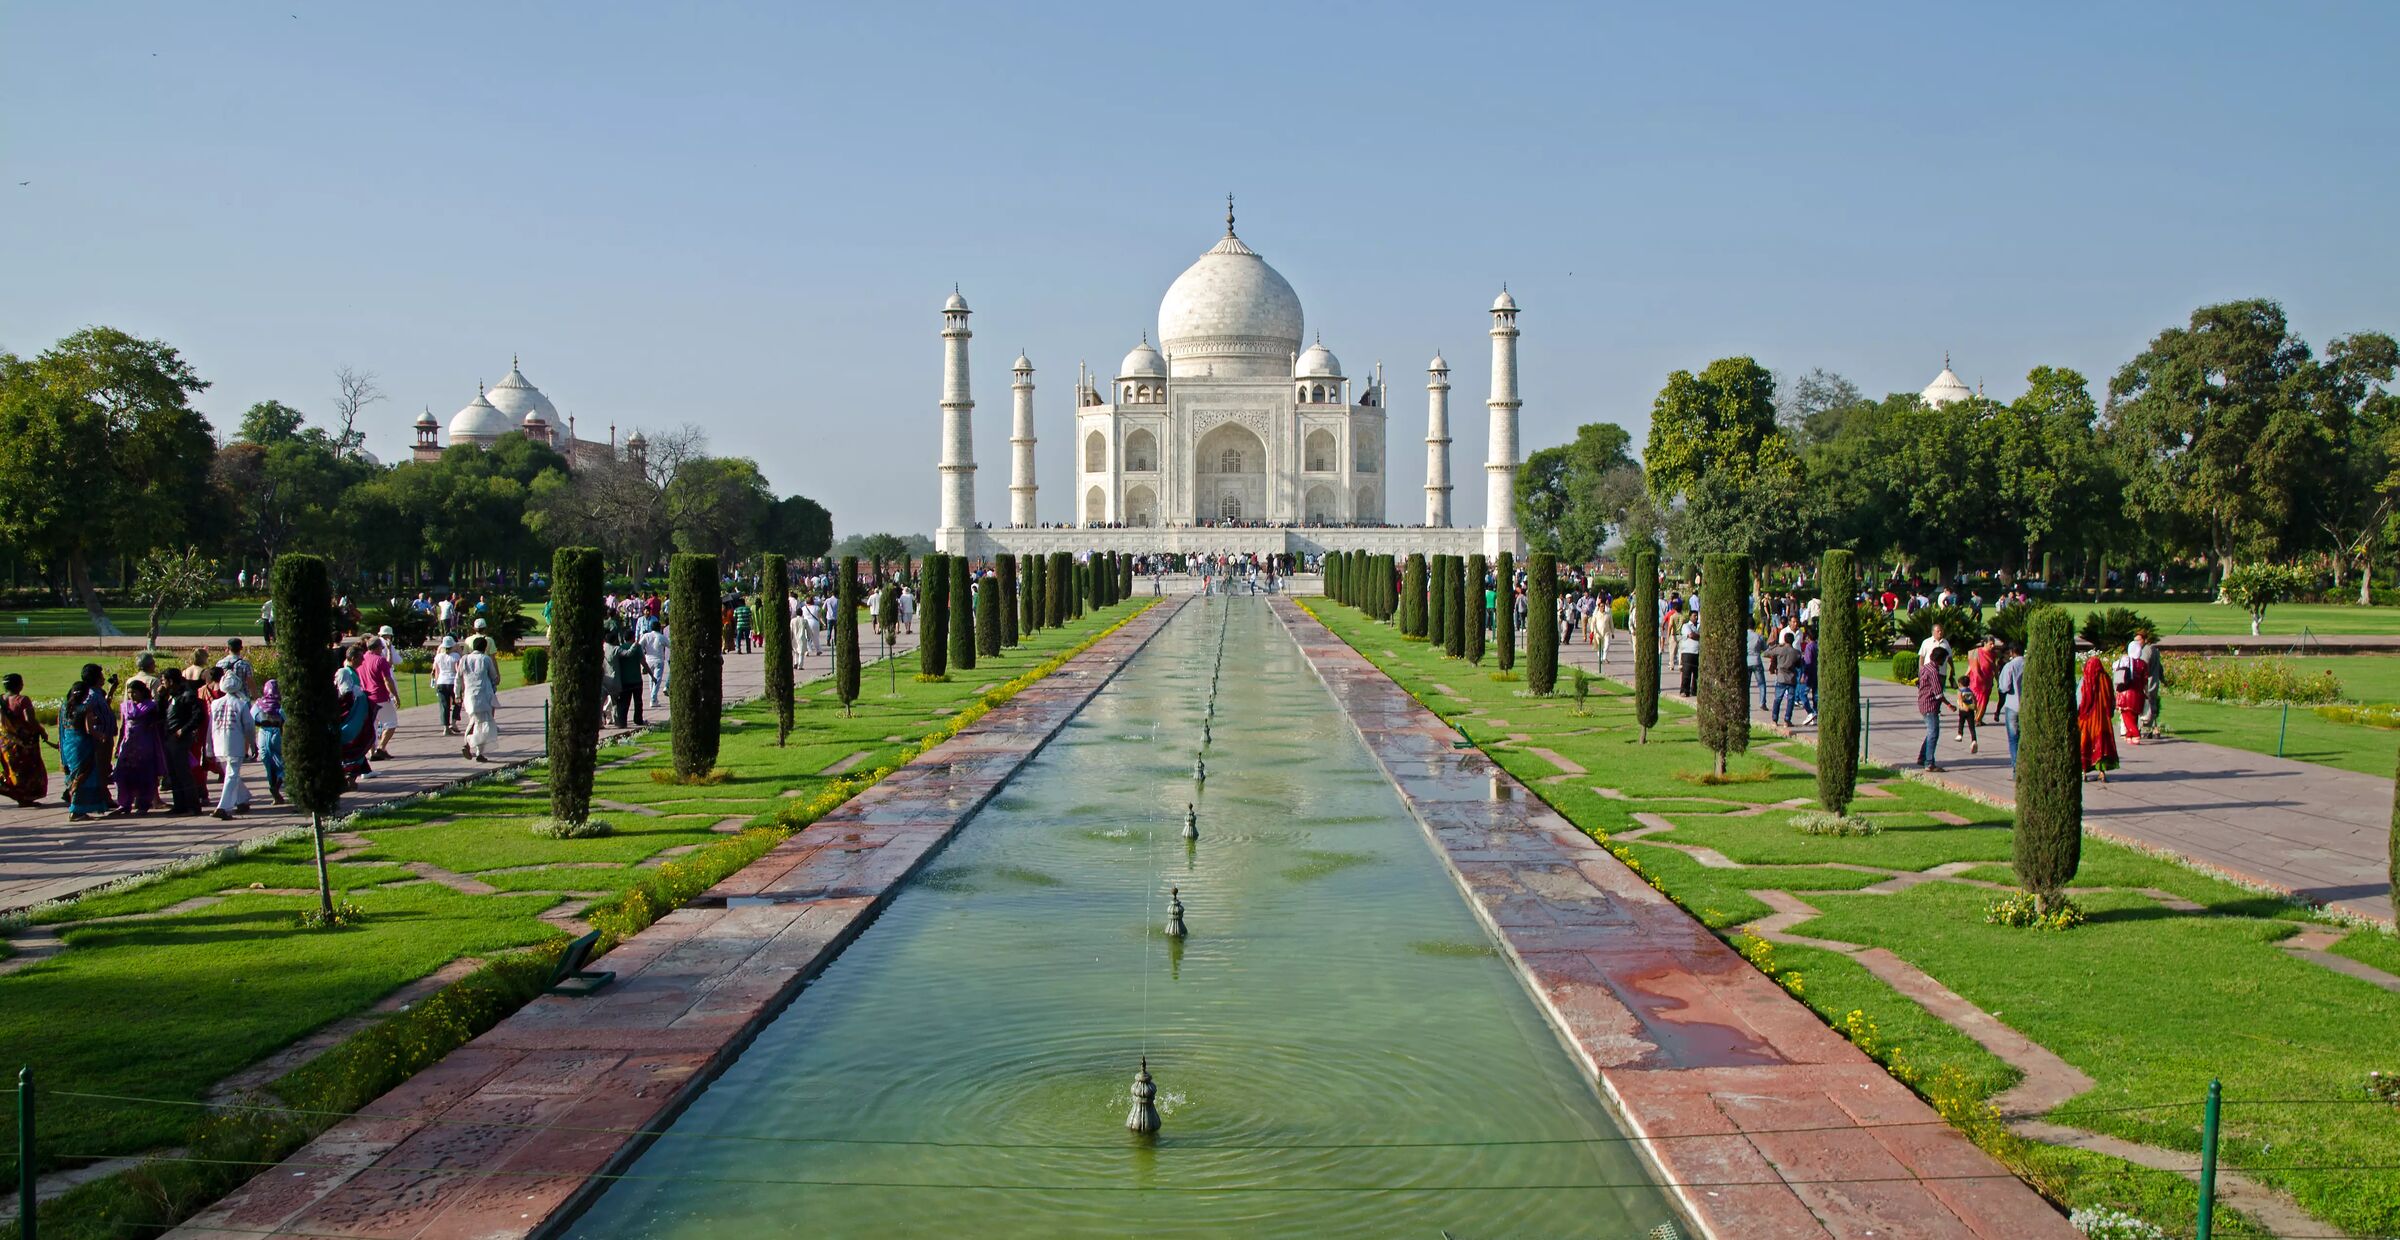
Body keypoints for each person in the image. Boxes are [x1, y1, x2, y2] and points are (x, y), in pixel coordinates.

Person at [59, 665, 115, 821]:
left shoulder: (64, 707)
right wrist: (102, 736)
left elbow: (63, 728)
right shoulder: (85, 709)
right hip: (83, 745)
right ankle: (76, 810)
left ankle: (76, 808)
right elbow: (90, 730)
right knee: (84, 777)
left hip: (70, 746)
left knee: (75, 776)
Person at [111, 679, 169, 815]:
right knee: (122, 775)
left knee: (145, 775)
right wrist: (117, 744)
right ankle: (124, 804)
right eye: (129, 693)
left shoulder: (150, 707)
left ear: (142, 692)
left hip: (144, 746)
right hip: (128, 745)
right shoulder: (126, 706)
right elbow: (123, 726)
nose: (132, 696)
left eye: (135, 692)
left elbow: (159, 722)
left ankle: (144, 803)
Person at [1, 673, 52, 808]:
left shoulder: (1, 700)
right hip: (24, 743)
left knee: (14, 771)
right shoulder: (22, 700)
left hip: (6, 744)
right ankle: (25, 797)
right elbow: (29, 720)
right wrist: (41, 730)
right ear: (18, 685)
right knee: (29, 771)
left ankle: (22, 798)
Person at [209, 671, 255, 820]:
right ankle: (223, 807)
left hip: (219, 743)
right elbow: (249, 726)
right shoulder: (241, 704)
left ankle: (242, 800)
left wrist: (209, 746)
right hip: (234, 743)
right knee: (232, 775)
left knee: (231, 774)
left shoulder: (215, 703)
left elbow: (211, 727)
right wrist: (252, 744)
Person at [161, 671, 207, 815]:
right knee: (173, 774)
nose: (162, 683)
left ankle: (193, 806)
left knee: (183, 774)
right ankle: (179, 804)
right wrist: (161, 696)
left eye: (163, 680)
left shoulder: (187, 694)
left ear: (171, 681)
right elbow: (161, 712)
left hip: (180, 738)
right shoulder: (172, 695)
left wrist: (184, 730)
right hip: (170, 737)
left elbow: (199, 715)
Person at [334, 644, 376, 786]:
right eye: (360, 658)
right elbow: (345, 694)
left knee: (358, 746)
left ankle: (351, 780)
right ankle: (348, 780)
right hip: (350, 719)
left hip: (357, 717)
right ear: (352, 658)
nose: (363, 661)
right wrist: (360, 694)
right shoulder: (344, 672)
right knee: (351, 747)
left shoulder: (352, 672)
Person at [2076, 653, 2121, 783]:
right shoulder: (2106, 679)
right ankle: (2102, 772)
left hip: (2087, 718)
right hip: (2103, 719)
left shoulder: (2086, 680)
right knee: (2102, 745)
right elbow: (2111, 698)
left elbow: (2080, 700)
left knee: (2085, 744)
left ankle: (2084, 772)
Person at [459, 635, 501, 762]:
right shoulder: (485, 659)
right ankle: (471, 747)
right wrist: (496, 679)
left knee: (475, 720)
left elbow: (458, 677)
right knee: (483, 724)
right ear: (484, 647)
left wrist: (457, 693)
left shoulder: (465, 659)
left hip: (469, 695)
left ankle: (476, 750)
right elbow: (493, 675)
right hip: (483, 695)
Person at [1916, 646, 1958, 772]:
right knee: (1933, 733)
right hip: (1930, 704)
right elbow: (1938, 693)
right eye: (1944, 658)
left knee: (1930, 732)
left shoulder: (1925, 667)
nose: (1945, 661)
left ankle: (1922, 757)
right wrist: (1949, 705)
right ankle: (1929, 763)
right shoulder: (1933, 671)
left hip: (1923, 702)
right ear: (1939, 658)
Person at [361, 628, 400, 758]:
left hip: (367, 697)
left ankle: (371, 752)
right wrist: (395, 695)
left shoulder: (362, 659)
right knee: (391, 723)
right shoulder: (379, 660)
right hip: (380, 696)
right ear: (377, 647)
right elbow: (387, 680)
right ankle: (381, 748)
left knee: (372, 726)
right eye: (381, 647)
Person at [252, 679, 285, 804]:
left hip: (262, 733)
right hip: (278, 733)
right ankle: (276, 786)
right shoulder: (281, 705)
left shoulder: (259, 704)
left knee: (268, 763)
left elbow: (253, 719)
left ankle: (272, 786)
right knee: (281, 762)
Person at [1993, 642, 2026, 765]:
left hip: (2013, 704)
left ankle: (2016, 767)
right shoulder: (2029, 664)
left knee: (2013, 738)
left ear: (2012, 652)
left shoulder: (2010, 666)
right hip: (2026, 705)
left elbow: (2004, 687)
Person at [1764, 631, 1803, 726]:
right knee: (1790, 700)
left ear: (1785, 640)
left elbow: (1765, 653)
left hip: (1781, 677)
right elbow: (1798, 665)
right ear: (1793, 641)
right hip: (1791, 679)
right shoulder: (1796, 653)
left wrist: (1775, 645)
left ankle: (1774, 719)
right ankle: (1787, 720)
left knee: (1777, 699)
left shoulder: (1779, 650)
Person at [609, 625, 645, 728]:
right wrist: (651, 674)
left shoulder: (620, 648)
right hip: (636, 679)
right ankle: (638, 719)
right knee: (638, 701)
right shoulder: (637, 647)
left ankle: (622, 721)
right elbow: (643, 662)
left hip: (625, 680)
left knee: (624, 703)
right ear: (633, 637)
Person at [2111, 642, 2146, 745]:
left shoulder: (2125, 660)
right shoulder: (2143, 664)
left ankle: (2135, 734)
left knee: (2127, 715)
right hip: (2138, 693)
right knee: (2134, 715)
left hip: (2125, 692)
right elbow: (2145, 680)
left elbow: (2115, 668)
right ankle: (2129, 735)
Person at [432, 635, 463, 734]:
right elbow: (458, 671)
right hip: (452, 681)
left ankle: (445, 727)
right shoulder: (456, 656)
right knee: (457, 702)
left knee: (444, 705)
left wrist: (436, 684)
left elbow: (437, 671)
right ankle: (453, 722)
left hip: (441, 681)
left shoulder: (438, 657)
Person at [639, 620, 670, 707]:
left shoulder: (646, 636)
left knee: (651, 680)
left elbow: (639, 646)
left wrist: (643, 653)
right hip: (659, 661)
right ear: (659, 628)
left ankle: (654, 698)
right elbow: (670, 645)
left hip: (648, 660)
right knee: (657, 680)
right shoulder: (661, 637)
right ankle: (653, 698)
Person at [1676, 617, 1701, 697]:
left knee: (1696, 674)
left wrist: (1697, 635)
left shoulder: (1698, 627)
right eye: (1694, 616)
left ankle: (1695, 691)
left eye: (1697, 616)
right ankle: (1684, 691)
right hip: (1687, 652)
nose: (1696, 617)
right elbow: (1691, 635)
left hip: (1697, 652)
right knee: (1687, 673)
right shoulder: (1686, 626)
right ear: (1690, 616)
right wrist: (1700, 636)